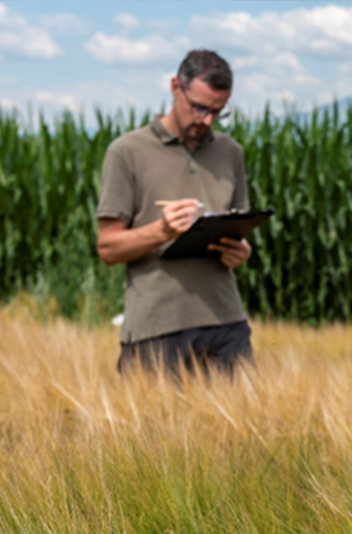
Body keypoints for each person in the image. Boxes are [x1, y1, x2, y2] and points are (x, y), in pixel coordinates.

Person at [96, 49, 255, 376]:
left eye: (217, 111)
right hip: (156, 329)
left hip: (227, 324)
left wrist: (240, 251)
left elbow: (238, 227)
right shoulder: (126, 152)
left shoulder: (231, 153)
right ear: (175, 88)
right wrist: (161, 232)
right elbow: (108, 248)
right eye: (198, 107)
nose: (206, 120)